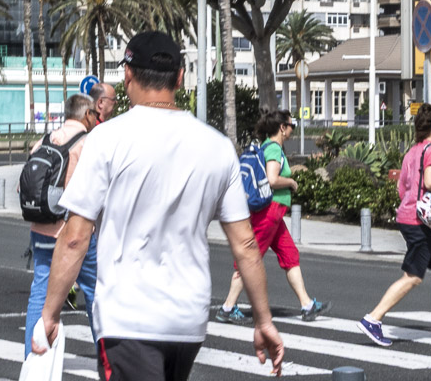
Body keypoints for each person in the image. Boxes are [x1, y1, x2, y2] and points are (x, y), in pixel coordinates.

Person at [33, 31, 285, 380]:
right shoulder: (217, 147)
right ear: (180, 77)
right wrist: (263, 321)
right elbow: (245, 244)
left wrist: (50, 312)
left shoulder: (107, 139)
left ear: (128, 76)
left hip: (128, 319)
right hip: (187, 321)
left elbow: (75, 237)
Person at [357, 104, 431, 346]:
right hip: (419, 222)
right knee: (413, 276)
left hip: (411, 218)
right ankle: (373, 319)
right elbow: (430, 182)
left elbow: (403, 189)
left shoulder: (412, 152)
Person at [215, 111, 329, 324]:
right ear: (282, 127)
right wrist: (291, 182)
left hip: (275, 214)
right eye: (291, 125)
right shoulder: (274, 148)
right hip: (270, 211)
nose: (293, 128)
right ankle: (227, 308)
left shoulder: (267, 146)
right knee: (250, 257)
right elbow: (272, 179)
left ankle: (307, 305)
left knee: (290, 255)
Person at [24, 93, 100, 356]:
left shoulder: (43, 141)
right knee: (95, 291)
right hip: (73, 232)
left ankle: (31, 356)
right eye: (94, 113)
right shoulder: (87, 143)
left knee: (40, 292)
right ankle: (107, 355)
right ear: (87, 114)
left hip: (41, 228)